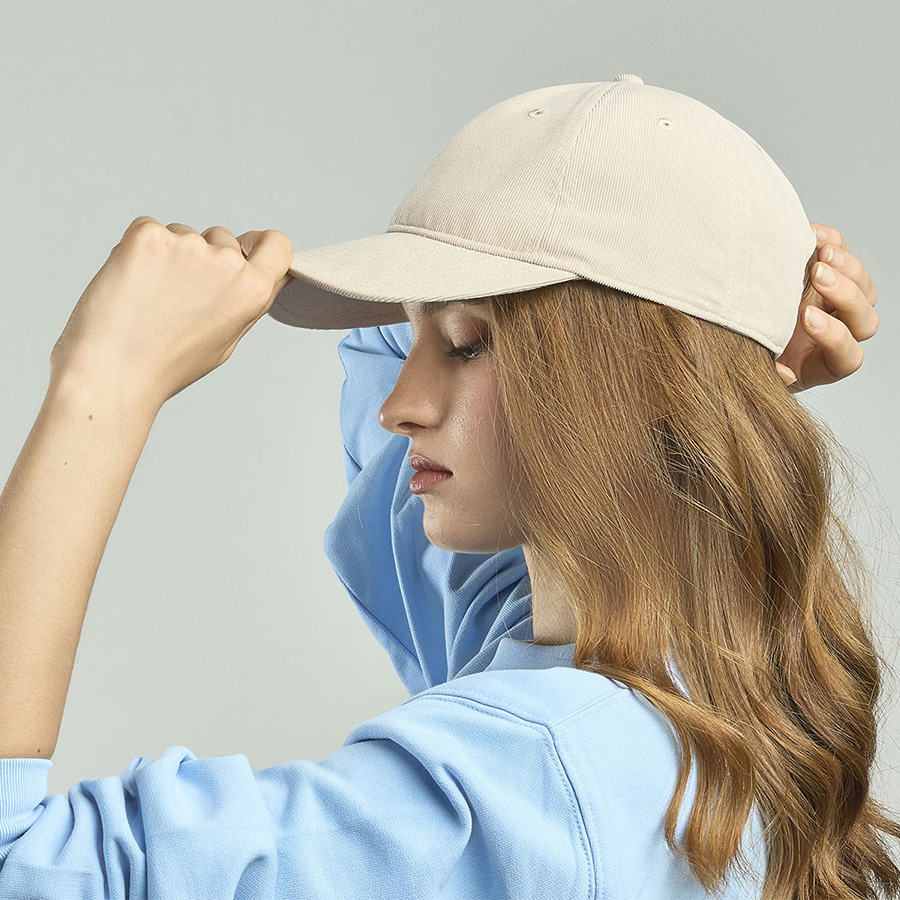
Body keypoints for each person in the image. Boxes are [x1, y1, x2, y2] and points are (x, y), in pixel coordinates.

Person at [0, 75, 889, 899]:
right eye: (420, 333)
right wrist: (732, 345)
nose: (400, 407)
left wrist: (103, 383)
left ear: (645, 384)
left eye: (466, 345)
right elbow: (378, 366)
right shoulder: (706, 687)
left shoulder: (529, 784)